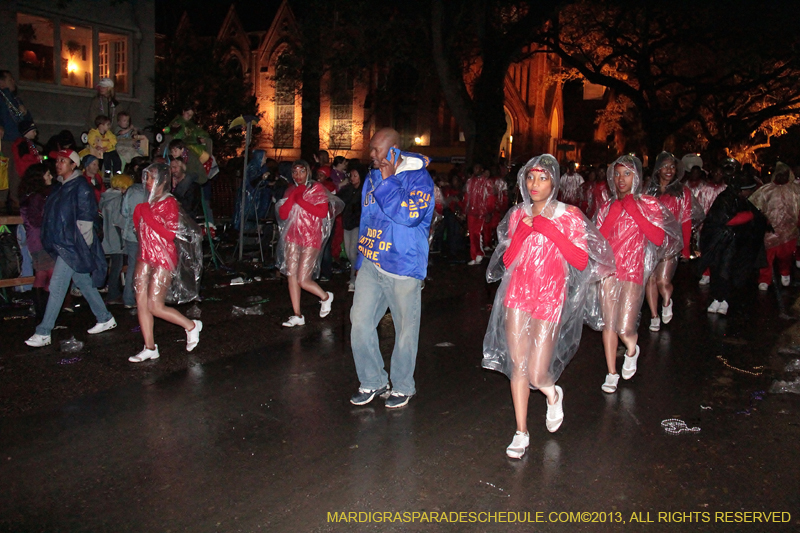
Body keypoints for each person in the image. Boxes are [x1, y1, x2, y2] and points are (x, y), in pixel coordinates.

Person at [483, 154, 614, 458]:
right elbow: (505, 262)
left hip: (550, 297)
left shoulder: (569, 215)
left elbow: (582, 261)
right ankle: (520, 431)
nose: (535, 184)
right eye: (530, 177)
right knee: (518, 365)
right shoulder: (517, 215)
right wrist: (524, 233)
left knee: (538, 373)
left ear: (554, 181)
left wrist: (551, 230)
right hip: (517, 294)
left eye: (542, 178)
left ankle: (552, 392)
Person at [349, 128, 435, 409]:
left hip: (403, 265)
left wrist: (387, 181)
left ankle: (402, 385)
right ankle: (373, 380)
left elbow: (407, 216)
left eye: (377, 149)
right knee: (360, 322)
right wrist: (361, 260)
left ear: (395, 149)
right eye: (371, 149)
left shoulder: (420, 179)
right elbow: (368, 217)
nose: (371, 155)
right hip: (373, 261)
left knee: (405, 331)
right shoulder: (373, 176)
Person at [595, 155, 680, 393]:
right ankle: (611, 372)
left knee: (624, 328)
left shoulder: (649, 205)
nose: (621, 179)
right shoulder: (607, 206)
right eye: (618, 174)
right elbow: (597, 240)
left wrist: (634, 211)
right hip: (609, 273)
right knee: (608, 324)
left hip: (633, 271)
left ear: (637, 177)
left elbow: (659, 238)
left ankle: (632, 349)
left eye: (627, 174)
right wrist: (614, 213)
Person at [25, 149, 116, 347]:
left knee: (57, 285)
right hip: (62, 242)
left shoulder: (80, 187)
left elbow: (86, 218)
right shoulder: (60, 186)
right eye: (57, 160)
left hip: (73, 245)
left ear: (73, 164)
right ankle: (105, 317)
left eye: (63, 160)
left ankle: (44, 331)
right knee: (82, 281)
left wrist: (83, 247)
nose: (58, 163)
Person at [129, 164, 202, 362]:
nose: (147, 183)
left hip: (163, 258)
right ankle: (149, 346)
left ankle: (191, 325)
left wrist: (146, 214)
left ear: (162, 181)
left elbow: (169, 234)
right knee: (141, 302)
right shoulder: (147, 204)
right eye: (146, 178)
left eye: (151, 178)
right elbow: (140, 230)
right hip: (144, 256)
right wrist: (142, 214)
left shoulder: (169, 202)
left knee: (154, 305)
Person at [275, 160, 339, 327]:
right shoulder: (290, 189)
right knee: (291, 275)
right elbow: (282, 214)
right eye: (295, 172)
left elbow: (322, 211)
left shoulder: (316, 188)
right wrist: (294, 195)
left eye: (301, 171)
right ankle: (297, 314)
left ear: (308, 172)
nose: (298, 175)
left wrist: (301, 199)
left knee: (303, 279)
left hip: (311, 237)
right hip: (292, 237)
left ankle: (325, 296)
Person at [644, 152, 703, 331]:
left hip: (670, 242)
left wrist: (685, 247)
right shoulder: (649, 189)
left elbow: (686, 219)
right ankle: (654, 316)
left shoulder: (682, 192)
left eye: (672, 166)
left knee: (663, 281)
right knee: (650, 280)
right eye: (665, 166)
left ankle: (667, 302)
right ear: (658, 169)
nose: (669, 170)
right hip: (651, 241)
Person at [697, 171, 767, 314]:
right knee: (718, 270)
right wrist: (750, 215)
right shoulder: (724, 199)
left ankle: (725, 300)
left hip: (735, 244)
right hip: (720, 242)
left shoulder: (742, 201)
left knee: (730, 271)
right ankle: (717, 298)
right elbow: (726, 219)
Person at [749, 163, 800, 290]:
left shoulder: (796, 190)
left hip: (790, 230)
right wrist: (763, 222)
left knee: (786, 255)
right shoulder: (765, 190)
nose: (782, 177)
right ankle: (764, 279)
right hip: (770, 230)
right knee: (768, 256)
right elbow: (754, 207)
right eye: (780, 174)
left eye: (785, 175)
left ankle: (785, 272)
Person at [19, 163, 56, 319]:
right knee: (51, 275)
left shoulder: (31, 195)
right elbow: (36, 220)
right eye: (47, 174)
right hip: (40, 240)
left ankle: (43, 313)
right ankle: (46, 313)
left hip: (35, 240)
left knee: (41, 274)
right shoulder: (37, 197)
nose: (51, 177)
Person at [1, 70, 34, 212]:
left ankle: (15, 199)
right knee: (4, 170)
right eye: (10, 79)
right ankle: (1, 201)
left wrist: (25, 112)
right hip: (6, 140)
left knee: (17, 170)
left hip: (19, 141)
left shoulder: (16, 100)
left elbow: (28, 121)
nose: (13, 82)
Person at [99, 174, 134, 305]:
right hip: (117, 237)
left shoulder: (106, 198)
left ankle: (113, 292)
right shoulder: (118, 199)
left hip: (108, 236)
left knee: (115, 265)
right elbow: (120, 220)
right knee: (117, 266)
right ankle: (113, 294)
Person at [120, 159, 148, 308]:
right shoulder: (150, 191)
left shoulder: (131, 191)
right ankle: (142, 298)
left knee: (132, 266)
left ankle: (129, 299)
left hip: (131, 233)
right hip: (146, 234)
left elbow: (124, 212)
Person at [338, 164, 365, 291]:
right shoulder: (347, 189)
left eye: (355, 175)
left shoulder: (364, 190)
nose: (352, 178)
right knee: (349, 253)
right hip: (347, 223)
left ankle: (354, 279)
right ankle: (354, 275)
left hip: (357, 224)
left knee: (353, 253)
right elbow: (339, 200)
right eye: (351, 175)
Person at [464, 164, 495, 265]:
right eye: (474, 168)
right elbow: (466, 196)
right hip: (471, 212)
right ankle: (474, 255)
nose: (476, 170)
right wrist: (465, 209)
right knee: (472, 234)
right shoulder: (470, 181)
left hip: (481, 212)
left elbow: (490, 198)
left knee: (477, 233)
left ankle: (479, 253)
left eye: (478, 168)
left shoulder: (486, 182)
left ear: (481, 169)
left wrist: (489, 212)